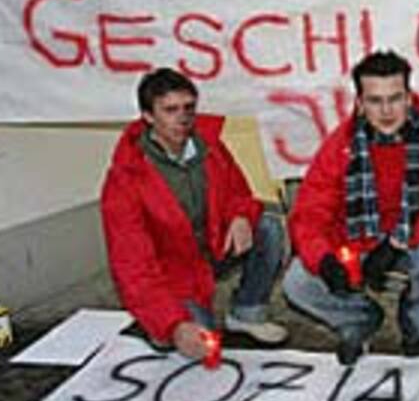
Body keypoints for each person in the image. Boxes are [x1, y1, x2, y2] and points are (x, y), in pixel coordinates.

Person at [282, 50, 419, 365]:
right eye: (375, 101)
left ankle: (414, 323)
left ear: (409, 98)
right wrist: (324, 260)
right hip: (357, 236)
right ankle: (360, 319)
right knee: (297, 283)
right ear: (359, 103)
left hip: (418, 231)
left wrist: (399, 240)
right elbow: (310, 211)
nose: (386, 111)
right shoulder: (340, 144)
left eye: (395, 99)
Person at [101, 68, 288, 362]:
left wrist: (240, 216)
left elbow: (240, 194)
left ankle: (247, 313)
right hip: (175, 274)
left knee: (268, 227)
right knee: (196, 341)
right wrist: (173, 325)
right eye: (170, 110)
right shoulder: (125, 179)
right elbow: (132, 265)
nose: (183, 118)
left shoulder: (210, 146)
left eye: (189, 108)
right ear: (147, 116)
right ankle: (156, 321)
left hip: (212, 248)